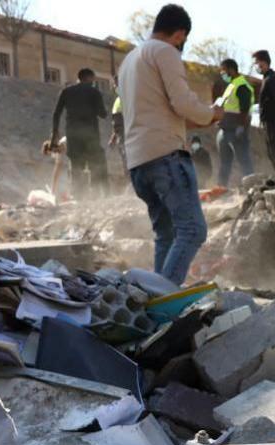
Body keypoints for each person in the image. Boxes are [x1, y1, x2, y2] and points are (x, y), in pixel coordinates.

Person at [118, 4, 221, 285]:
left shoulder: (129, 62)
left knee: (167, 235)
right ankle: (162, 299)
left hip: (139, 162)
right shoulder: (166, 52)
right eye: (182, 41)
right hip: (166, 157)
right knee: (192, 231)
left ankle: (153, 298)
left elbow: (159, 111)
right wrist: (212, 113)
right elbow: (183, 102)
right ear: (179, 34)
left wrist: (197, 120)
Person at [51, 68, 109, 199]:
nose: (94, 82)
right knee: (95, 164)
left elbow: (56, 113)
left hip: (73, 135)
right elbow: (103, 114)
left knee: (77, 165)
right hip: (91, 135)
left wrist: (54, 134)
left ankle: (79, 196)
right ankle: (96, 196)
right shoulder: (94, 92)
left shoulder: (66, 92)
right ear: (89, 78)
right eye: (93, 80)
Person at [216, 58, 255, 190]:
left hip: (236, 130)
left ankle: (251, 188)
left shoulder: (242, 85)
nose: (222, 74)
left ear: (232, 70)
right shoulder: (231, 85)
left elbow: (244, 109)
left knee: (243, 160)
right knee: (224, 162)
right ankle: (221, 187)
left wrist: (241, 127)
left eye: (224, 71)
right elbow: (225, 105)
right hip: (225, 129)